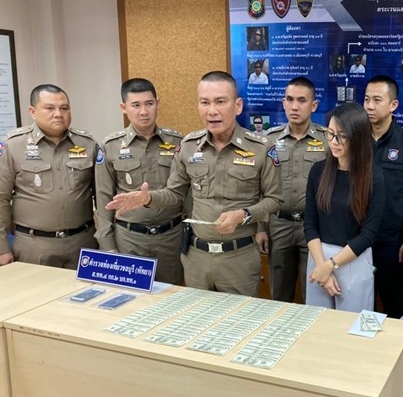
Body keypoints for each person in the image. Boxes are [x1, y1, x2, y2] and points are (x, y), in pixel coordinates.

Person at [106, 71, 283, 296]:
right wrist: (148, 198)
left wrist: (244, 215)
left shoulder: (261, 148)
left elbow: (275, 199)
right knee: (195, 316)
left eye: (220, 102)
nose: (212, 111)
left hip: (238, 257)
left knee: (238, 318)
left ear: (237, 106)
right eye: (204, 102)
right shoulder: (189, 146)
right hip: (196, 258)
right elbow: (174, 194)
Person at [95, 78, 185, 285]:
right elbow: (103, 198)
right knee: (130, 297)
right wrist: (107, 244)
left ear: (157, 104)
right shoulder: (111, 146)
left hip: (171, 237)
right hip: (129, 239)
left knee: (171, 296)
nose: (144, 111)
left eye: (149, 104)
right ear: (124, 107)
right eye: (136, 105)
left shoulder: (177, 142)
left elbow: (186, 192)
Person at [0, 84, 98, 269]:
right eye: (50, 108)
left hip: (82, 243)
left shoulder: (87, 144)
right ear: (32, 111)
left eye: (64, 108)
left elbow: (101, 195)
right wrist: (2, 248)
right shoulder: (13, 146)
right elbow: (1, 198)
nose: (58, 114)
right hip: (34, 246)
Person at [304, 102, 384, 312]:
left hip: (352, 260)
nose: (334, 141)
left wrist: (330, 265)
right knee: (318, 323)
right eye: (330, 134)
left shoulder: (373, 176)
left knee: (351, 326)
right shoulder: (318, 171)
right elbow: (310, 224)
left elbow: (368, 234)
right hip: (318, 257)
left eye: (342, 136)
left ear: (358, 137)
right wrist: (322, 266)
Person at [256, 77, 327, 303]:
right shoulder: (269, 140)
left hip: (314, 227)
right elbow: (260, 186)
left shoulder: (326, 140)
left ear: (313, 105)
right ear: (283, 102)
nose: (295, 106)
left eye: (302, 100)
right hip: (279, 224)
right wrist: (260, 227)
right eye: (290, 99)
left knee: (313, 293)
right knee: (279, 292)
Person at [363, 75, 403, 317]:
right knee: (358, 303)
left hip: (391, 241)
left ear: (393, 105)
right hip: (357, 239)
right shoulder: (355, 139)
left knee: (393, 304)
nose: (369, 106)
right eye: (366, 99)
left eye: (377, 100)